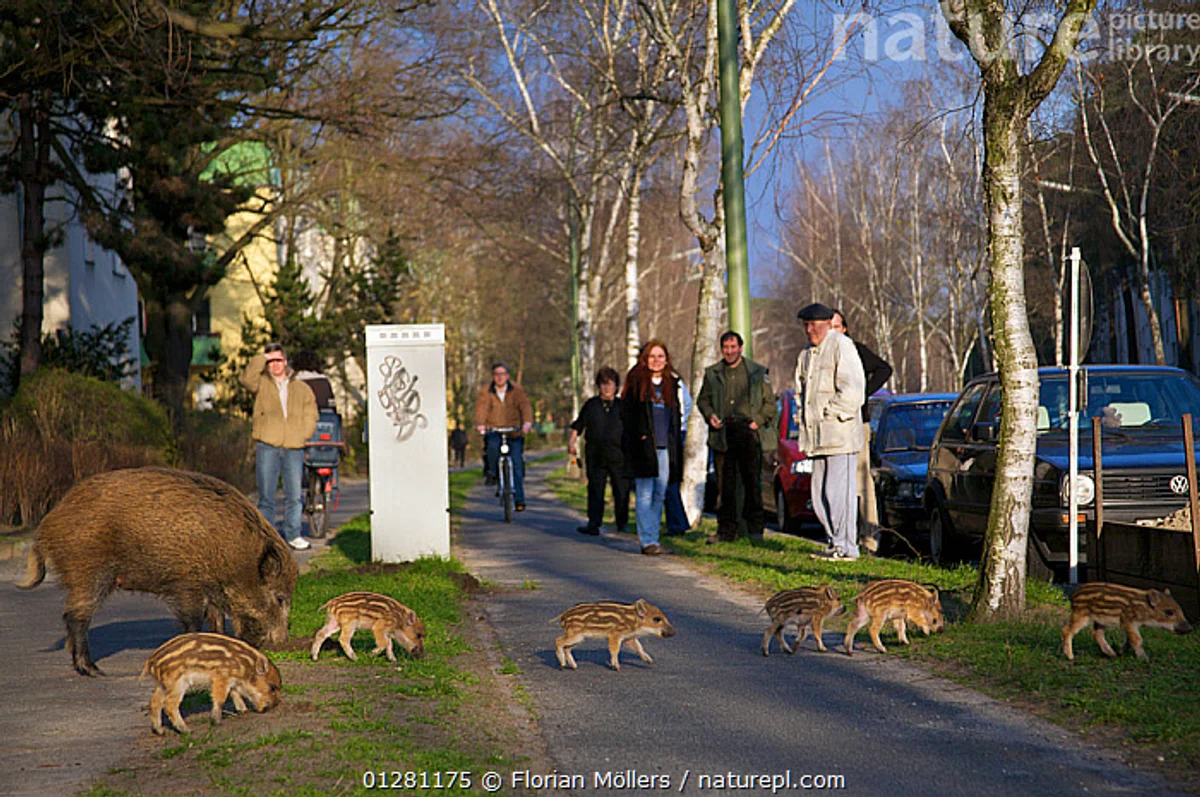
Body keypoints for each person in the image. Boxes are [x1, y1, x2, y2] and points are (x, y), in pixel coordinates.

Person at [794, 303, 866, 560]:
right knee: (820, 493)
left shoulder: (841, 345)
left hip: (839, 435)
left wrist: (832, 414)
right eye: (806, 325)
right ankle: (835, 543)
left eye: (814, 325)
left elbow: (853, 389)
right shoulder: (806, 354)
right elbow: (801, 394)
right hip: (816, 438)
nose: (810, 330)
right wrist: (802, 419)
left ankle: (848, 548)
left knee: (838, 492)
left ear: (827, 323)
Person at [697, 330, 777, 542]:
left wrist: (756, 422)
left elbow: (770, 404)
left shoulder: (757, 373)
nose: (729, 351)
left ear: (740, 348)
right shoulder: (713, 373)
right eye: (725, 348)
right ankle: (725, 531)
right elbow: (702, 400)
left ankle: (755, 531)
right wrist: (710, 415)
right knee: (725, 486)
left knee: (752, 483)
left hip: (748, 432)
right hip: (723, 433)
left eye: (733, 347)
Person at [240, 343, 319, 551]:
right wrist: (261, 357)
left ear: (285, 361)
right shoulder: (261, 384)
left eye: (278, 360)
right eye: (270, 361)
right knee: (266, 495)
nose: (274, 365)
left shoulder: (301, 388)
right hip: (268, 444)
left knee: (294, 495)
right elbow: (246, 380)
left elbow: (311, 412)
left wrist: (304, 433)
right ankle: (267, 538)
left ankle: (293, 534)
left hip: (294, 446)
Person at [831, 310, 893, 543]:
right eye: (828, 327)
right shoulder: (822, 354)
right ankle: (841, 535)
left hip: (857, 422)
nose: (832, 332)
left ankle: (870, 538)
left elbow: (884, 369)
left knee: (861, 479)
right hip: (832, 425)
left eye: (836, 326)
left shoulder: (855, 350)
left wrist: (862, 392)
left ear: (844, 328)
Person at [621, 340, 684, 556]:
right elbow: (627, 415)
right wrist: (638, 436)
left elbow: (677, 415)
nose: (656, 361)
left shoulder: (672, 384)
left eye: (660, 356)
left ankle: (654, 538)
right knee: (645, 494)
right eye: (652, 356)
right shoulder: (636, 382)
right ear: (645, 359)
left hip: (665, 447)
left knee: (660, 493)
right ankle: (646, 540)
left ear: (666, 360)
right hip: (643, 447)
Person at [568, 367, 630, 536]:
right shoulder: (591, 405)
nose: (607, 388)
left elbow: (632, 429)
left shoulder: (622, 406)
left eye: (610, 384)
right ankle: (594, 523)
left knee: (621, 489)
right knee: (595, 489)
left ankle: (622, 522)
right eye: (603, 384)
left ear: (616, 386)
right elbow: (578, 425)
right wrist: (572, 442)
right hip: (595, 454)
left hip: (619, 455)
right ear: (598, 386)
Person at [473, 362, 534, 510]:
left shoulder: (517, 390)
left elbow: (525, 406)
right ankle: (493, 473)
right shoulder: (486, 391)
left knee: (516, 464)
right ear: (493, 376)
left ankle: (519, 499)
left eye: (502, 374)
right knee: (492, 448)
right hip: (494, 430)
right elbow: (481, 408)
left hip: (514, 430)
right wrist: (480, 424)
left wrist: (526, 423)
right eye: (496, 374)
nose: (499, 377)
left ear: (507, 376)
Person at [663, 373, 694, 535]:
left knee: (669, 481)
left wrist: (679, 425)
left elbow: (686, 406)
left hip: (672, 434)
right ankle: (677, 522)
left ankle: (677, 523)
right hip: (673, 433)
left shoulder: (674, 382)